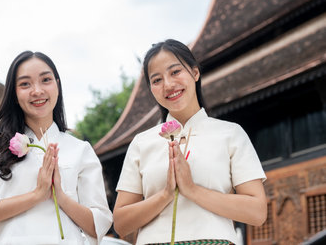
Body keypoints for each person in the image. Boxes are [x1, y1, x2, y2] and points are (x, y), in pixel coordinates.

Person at [113, 39, 267, 245]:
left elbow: (257, 212)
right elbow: (121, 223)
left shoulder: (230, 134)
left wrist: (192, 190)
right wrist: (166, 194)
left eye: (175, 72)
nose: (168, 84)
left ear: (195, 73)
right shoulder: (141, 143)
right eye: (157, 80)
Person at [0, 51, 112, 244]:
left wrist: (60, 196)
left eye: (45, 80)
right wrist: (37, 195)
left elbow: (98, 224)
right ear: (14, 94)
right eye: (25, 84)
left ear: (57, 85)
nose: (37, 91)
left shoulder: (80, 150)